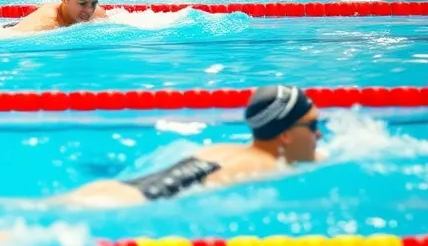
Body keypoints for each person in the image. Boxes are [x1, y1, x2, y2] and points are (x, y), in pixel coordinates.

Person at [53, 85, 320, 207]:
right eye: (312, 127)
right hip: (123, 204)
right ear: (285, 135)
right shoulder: (266, 166)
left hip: (118, 189)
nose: (317, 136)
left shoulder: (225, 149)